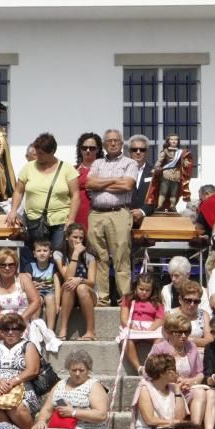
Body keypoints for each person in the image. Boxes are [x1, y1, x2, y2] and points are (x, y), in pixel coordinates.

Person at [85, 129, 137, 306]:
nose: (113, 143)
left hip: (119, 212)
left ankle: (125, 298)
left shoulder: (130, 163)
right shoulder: (97, 162)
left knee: (121, 256)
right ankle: (103, 298)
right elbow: (89, 183)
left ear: (122, 143)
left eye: (116, 140)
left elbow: (128, 185)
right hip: (96, 213)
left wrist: (102, 184)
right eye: (109, 141)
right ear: (105, 145)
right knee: (99, 257)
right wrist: (116, 180)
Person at [149, 313, 215, 429]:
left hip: (187, 388)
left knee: (208, 393)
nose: (183, 336)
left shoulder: (191, 347)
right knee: (202, 393)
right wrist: (172, 382)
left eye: (186, 332)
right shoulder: (159, 347)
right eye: (178, 332)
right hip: (168, 391)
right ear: (168, 332)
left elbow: (200, 372)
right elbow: (148, 371)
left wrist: (190, 382)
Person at [6, 132, 80, 251]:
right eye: (37, 152)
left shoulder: (67, 169)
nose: (38, 156)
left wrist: (71, 220)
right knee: (37, 253)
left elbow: (75, 195)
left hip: (60, 220)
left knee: (57, 253)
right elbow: (18, 191)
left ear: (52, 152)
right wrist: (13, 210)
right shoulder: (28, 168)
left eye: (41, 153)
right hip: (34, 220)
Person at [0, 312, 41, 429]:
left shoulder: (28, 345)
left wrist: (13, 382)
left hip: (22, 387)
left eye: (14, 329)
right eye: (6, 329)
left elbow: (33, 370)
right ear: (1, 331)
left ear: (21, 331)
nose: (10, 332)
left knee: (16, 407)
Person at [0, 248, 42, 345]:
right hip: (2, 321)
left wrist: (19, 320)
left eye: (11, 265)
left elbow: (36, 301)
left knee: (14, 333)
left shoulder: (23, 278)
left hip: (23, 320)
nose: (7, 268)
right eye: (3, 265)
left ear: (16, 266)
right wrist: (8, 321)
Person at [131, 354, 188, 429]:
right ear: (163, 372)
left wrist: (178, 391)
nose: (177, 372)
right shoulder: (145, 387)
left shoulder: (173, 388)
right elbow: (150, 420)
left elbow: (179, 418)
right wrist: (173, 423)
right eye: (173, 369)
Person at [53, 223, 98, 341]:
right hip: (68, 293)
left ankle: (90, 331)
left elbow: (92, 282)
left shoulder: (90, 255)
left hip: (88, 293)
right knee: (69, 284)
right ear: (67, 237)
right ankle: (63, 329)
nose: (78, 241)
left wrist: (80, 280)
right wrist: (75, 254)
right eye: (75, 237)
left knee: (81, 287)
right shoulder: (59, 254)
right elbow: (68, 277)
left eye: (81, 238)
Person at [121, 273, 167, 374]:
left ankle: (149, 365)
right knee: (127, 339)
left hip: (151, 327)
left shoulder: (157, 301)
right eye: (141, 289)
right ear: (136, 287)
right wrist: (131, 326)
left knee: (160, 340)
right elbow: (124, 318)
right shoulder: (128, 299)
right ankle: (139, 368)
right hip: (133, 326)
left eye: (147, 290)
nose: (144, 292)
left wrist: (151, 328)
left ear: (152, 290)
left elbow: (160, 319)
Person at [24, 239, 59, 330]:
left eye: (45, 250)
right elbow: (26, 283)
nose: (42, 253)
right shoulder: (30, 266)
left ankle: (50, 330)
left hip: (50, 292)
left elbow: (57, 285)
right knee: (37, 300)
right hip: (36, 292)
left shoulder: (53, 267)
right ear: (34, 253)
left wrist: (58, 303)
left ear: (50, 253)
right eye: (39, 251)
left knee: (50, 298)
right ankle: (34, 328)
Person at [173, 280, 214, 349]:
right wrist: (199, 341)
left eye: (196, 301)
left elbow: (209, 340)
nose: (192, 304)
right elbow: (168, 339)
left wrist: (187, 339)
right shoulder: (171, 315)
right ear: (180, 299)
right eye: (188, 300)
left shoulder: (204, 315)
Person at [73, 132, 102, 229]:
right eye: (84, 148)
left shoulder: (104, 169)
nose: (88, 150)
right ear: (80, 149)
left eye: (92, 148)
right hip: (77, 212)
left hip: (98, 212)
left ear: (98, 149)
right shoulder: (73, 170)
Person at [126, 134, 156, 227]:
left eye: (142, 150)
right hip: (125, 220)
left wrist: (142, 211)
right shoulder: (121, 171)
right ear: (129, 152)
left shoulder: (154, 172)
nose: (138, 152)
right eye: (134, 149)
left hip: (148, 220)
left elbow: (157, 195)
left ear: (146, 152)